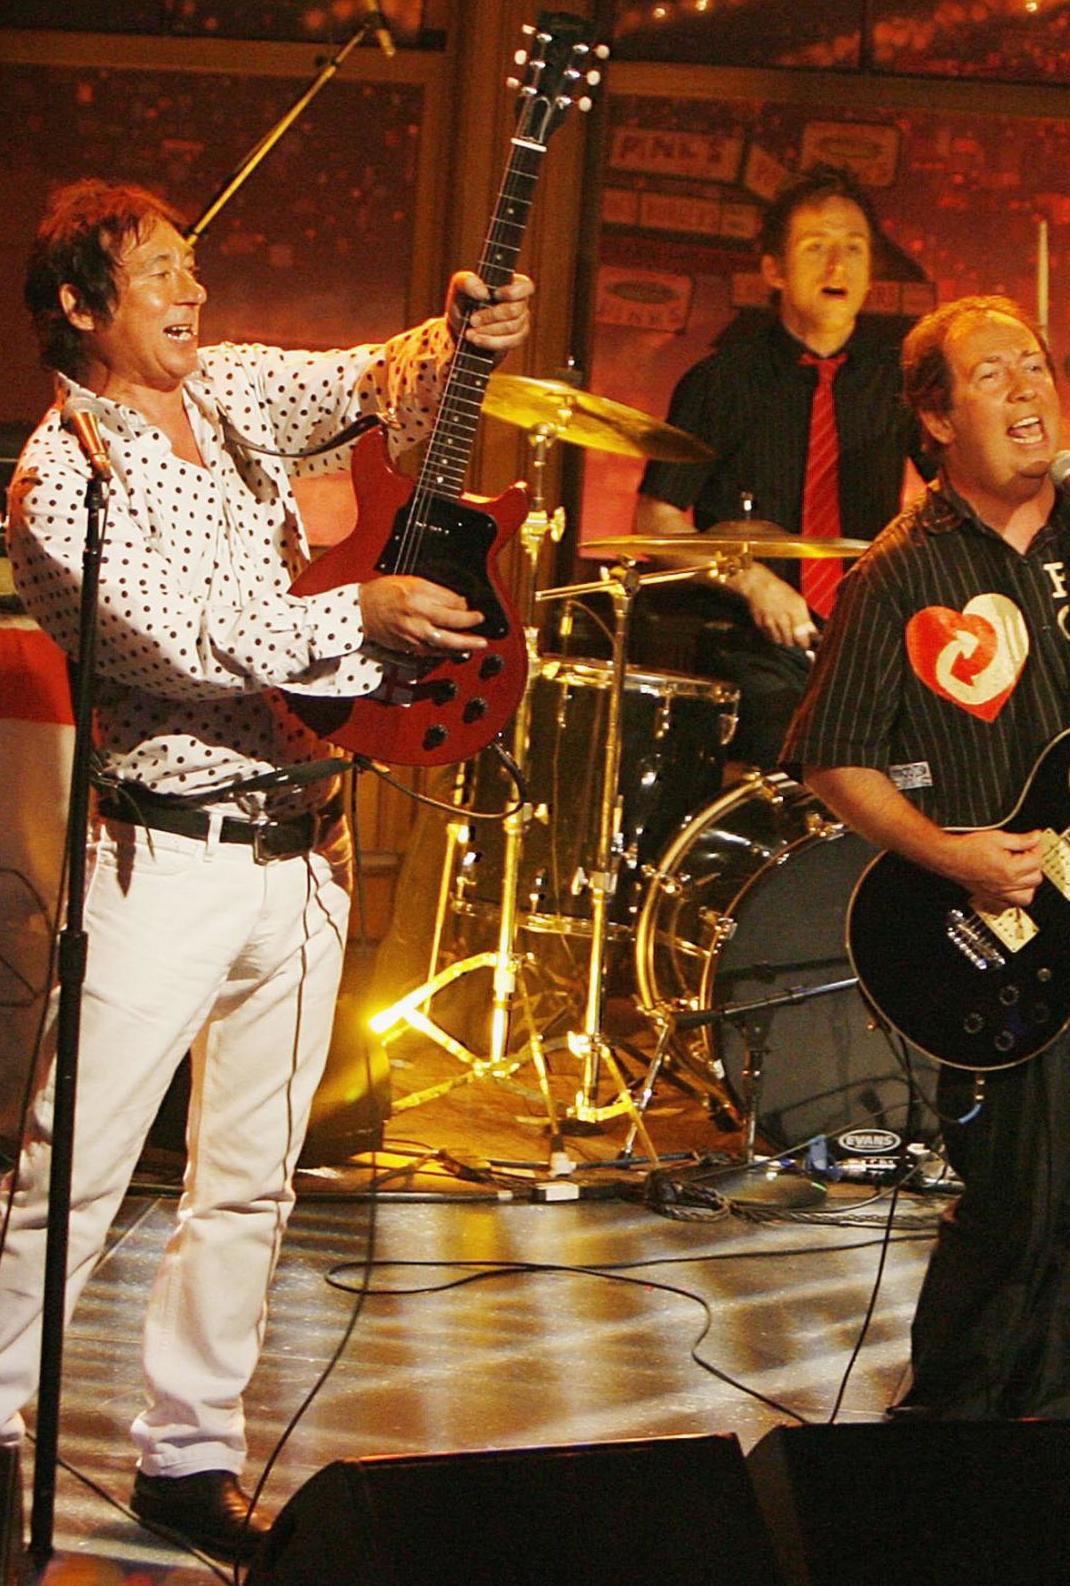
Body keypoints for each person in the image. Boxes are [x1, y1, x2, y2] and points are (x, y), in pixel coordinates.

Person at [3, 179, 532, 1560]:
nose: (192, 293)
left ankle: (189, 1453)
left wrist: (457, 338)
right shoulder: (64, 482)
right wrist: (356, 613)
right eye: (159, 272)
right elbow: (185, 639)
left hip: (304, 846)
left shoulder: (231, 389)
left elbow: (368, 378)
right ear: (77, 304)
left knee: (249, 1180)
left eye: (195, 266)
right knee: (75, 1173)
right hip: (162, 861)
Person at [782, 295, 1070, 1418]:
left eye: (1035, 368)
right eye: (991, 375)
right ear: (937, 418)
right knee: (1024, 1197)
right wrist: (950, 855)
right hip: (993, 937)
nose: (1027, 391)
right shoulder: (902, 571)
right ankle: (946, 1425)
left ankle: (1050, 1432)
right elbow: (828, 759)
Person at [633, 164, 920, 768]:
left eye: (855, 249)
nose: (838, 268)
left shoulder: (900, 381)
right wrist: (750, 579)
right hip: (751, 648)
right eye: (816, 249)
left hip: (869, 641)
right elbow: (657, 521)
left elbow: (954, 495)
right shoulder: (721, 380)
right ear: (774, 270)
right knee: (781, 717)